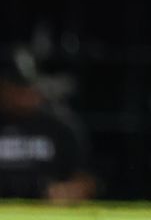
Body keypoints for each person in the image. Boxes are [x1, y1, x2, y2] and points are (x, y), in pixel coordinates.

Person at [0, 46, 93, 202]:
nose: (22, 93)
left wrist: (68, 191)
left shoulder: (60, 126)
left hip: (45, 213)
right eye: (14, 87)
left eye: (27, 86)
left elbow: (87, 180)